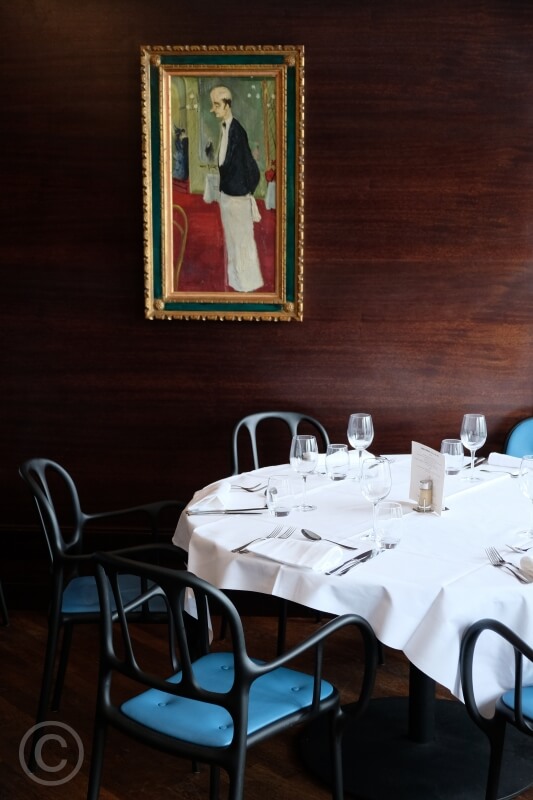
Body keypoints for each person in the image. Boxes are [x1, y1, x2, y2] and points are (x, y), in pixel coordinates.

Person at [209, 85, 264, 292]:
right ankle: (235, 282)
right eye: (213, 105)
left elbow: (250, 168)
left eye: (216, 105)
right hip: (227, 197)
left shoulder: (238, 131)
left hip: (238, 198)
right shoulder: (224, 129)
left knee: (242, 242)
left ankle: (249, 284)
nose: (213, 109)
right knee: (232, 242)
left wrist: (245, 192)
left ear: (227, 105)